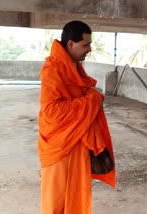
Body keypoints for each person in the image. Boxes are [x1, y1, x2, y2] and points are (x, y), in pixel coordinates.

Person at [38, 20, 115, 214]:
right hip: (59, 145)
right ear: (70, 44)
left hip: (78, 142)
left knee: (77, 196)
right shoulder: (52, 70)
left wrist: (90, 99)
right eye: (86, 44)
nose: (89, 49)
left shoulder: (74, 67)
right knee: (56, 202)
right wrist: (90, 101)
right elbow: (52, 112)